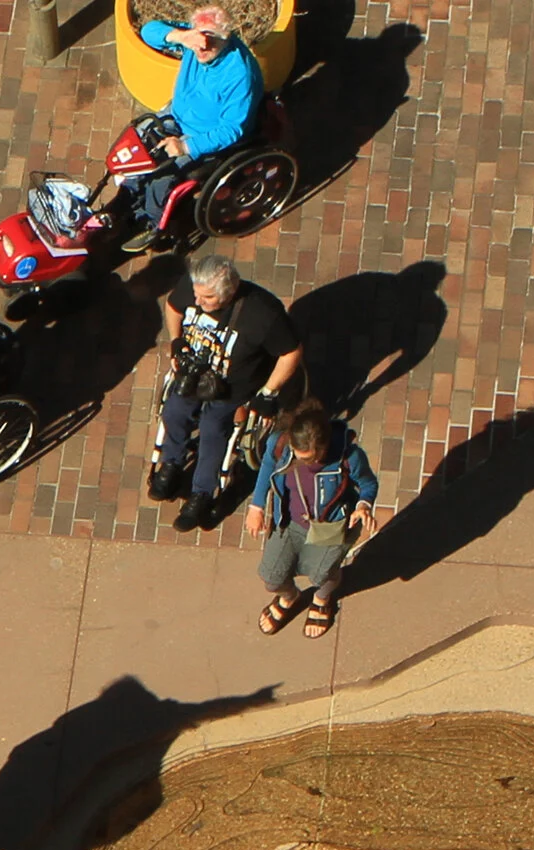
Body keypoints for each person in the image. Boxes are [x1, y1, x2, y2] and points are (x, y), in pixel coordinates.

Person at [151, 254, 303, 532]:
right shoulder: (194, 286)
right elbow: (173, 307)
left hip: (232, 389)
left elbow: (291, 353)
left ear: (229, 292)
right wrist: (177, 341)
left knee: (213, 431)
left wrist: (267, 393)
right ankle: (171, 464)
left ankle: (202, 493)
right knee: (174, 411)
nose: (197, 303)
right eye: (196, 295)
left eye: (206, 298)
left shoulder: (262, 314)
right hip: (194, 376)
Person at [117, 5, 263, 251]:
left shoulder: (239, 75)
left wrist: (185, 145)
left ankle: (153, 224)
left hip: (203, 136)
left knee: (161, 178)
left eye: (212, 41)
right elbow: (149, 31)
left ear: (227, 38)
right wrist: (181, 36)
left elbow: (231, 130)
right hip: (176, 116)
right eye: (199, 37)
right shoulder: (193, 40)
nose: (203, 47)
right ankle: (127, 194)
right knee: (135, 143)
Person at [247, 398, 380, 638]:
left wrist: (363, 505)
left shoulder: (349, 457)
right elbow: (268, 465)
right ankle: (290, 597)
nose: (301, 461)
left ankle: (321, 598)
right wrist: (256, 506)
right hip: (289, 522)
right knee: (271, 576)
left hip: (329, 527)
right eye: (297, 455)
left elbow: (368, 483)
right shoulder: (281, 444)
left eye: (308, 459)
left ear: (323, 447)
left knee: (323, 574)